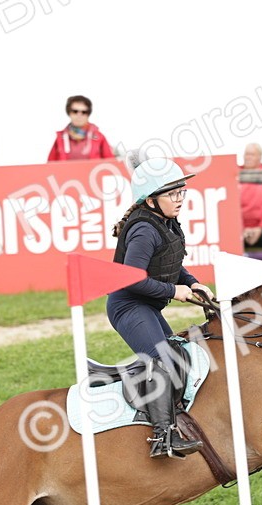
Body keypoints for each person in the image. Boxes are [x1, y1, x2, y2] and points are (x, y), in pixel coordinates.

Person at [108, 158, 215, 459]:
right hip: (128, 305)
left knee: (178, 358)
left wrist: (193, 283)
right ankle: (162, 439)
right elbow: (131, 281)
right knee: (163, 362)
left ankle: (176, 419)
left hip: (146, 307)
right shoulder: (144, 229)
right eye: (173, 194)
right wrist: (174, 292)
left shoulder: (167, 222)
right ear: (152, 199)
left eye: (182, 192)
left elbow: (172, 265)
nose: (180, 199)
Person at [47, 95, 114, 162]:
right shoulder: (60, 139)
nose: (79, 115)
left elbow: (111, 164)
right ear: (69, 112)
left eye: (84, 112)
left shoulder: (99, 138)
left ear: (88, 114)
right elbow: (50, 165)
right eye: (75, 111)